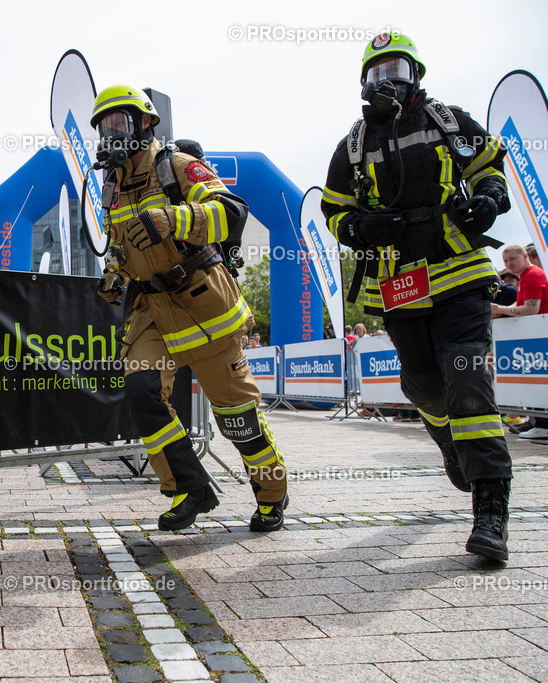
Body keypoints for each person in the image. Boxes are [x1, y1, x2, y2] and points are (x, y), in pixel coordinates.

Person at [322, 33, 514, 562]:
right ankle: (447, 440)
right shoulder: (353, 146)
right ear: (364, 82)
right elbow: (334, 212)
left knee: (470, 383)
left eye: (396, 68)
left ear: (415, 73)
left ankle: (491, 511)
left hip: (462, 275)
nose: (386, 79)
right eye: (376, 71)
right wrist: (361, 228)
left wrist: (490, 199)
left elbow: (490, 167)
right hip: (402, 285)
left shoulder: (449, 120)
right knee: (426, 388)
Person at [91, 85, 288, 533]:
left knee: (237, 419)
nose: (111, 133)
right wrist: (115, 274)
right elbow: (121, 247)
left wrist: (173, 219)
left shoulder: (178, 167)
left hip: (205, 309)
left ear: (145, 124)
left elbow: (231, 213)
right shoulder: (112, 188)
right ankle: (189, 487)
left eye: (118, 123)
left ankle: (273, 494)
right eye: (105, 126)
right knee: (141, 392)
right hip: (153, 312)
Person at [492, 245, 548, 440]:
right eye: (505, 261)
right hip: (532, 335)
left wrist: (500, 309)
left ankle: (542, 424)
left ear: (525, 256)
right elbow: (523, 304)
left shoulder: (533, 274)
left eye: (512, 260)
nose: (508, 265)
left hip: (537, 335)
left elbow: (532, 309)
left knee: (537, 379)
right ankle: (537, 421)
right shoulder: (526, 275)